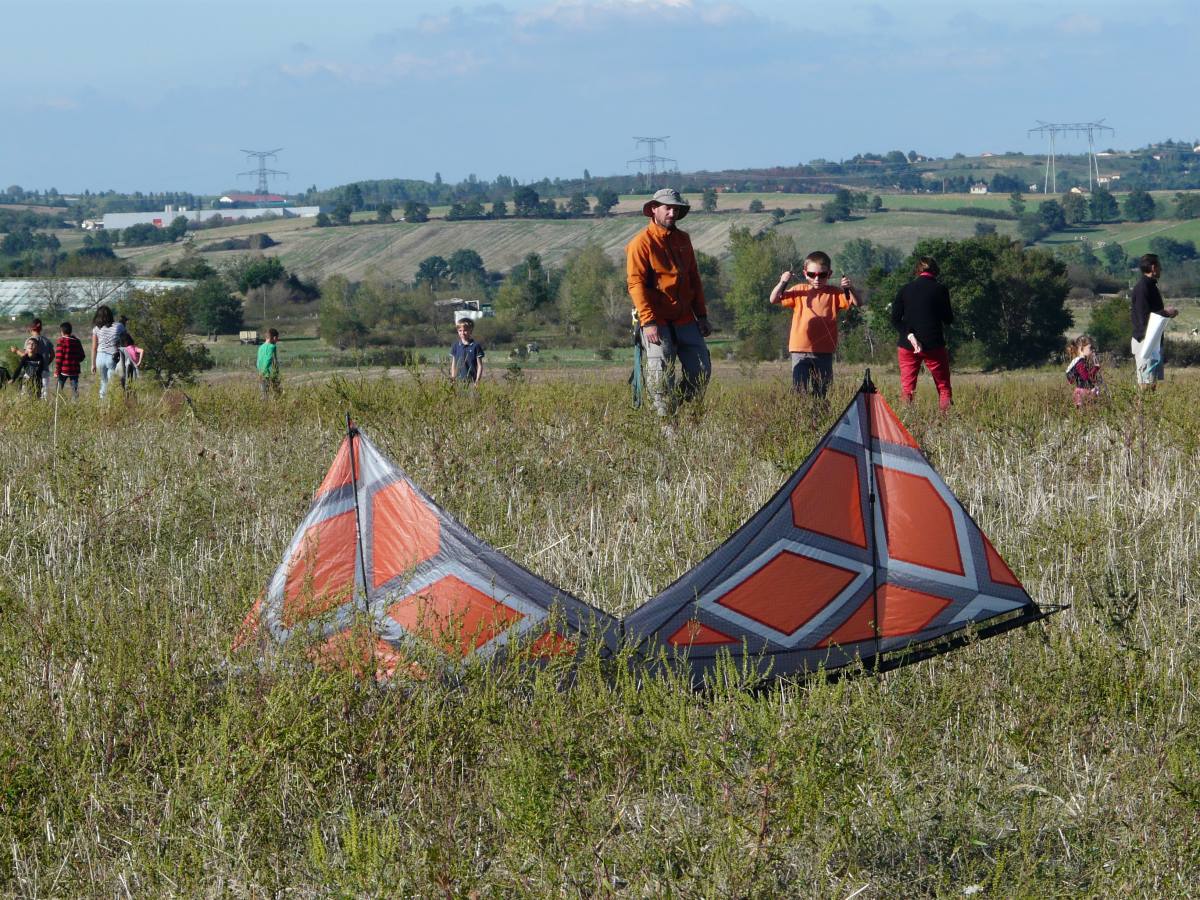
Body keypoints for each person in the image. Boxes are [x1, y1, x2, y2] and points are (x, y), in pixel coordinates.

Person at [627, 188, 712, 418]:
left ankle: (682, 410)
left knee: (701, 370)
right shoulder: (640, 243)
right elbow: (635, 285)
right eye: (668, 208)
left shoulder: (684, 239)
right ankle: (667, 427)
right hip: (656, 320)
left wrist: (701, 316)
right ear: (654, 209)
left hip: (685, 317)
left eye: (676, 209)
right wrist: (649, 321)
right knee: (660, 376)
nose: (672, 213)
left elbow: (694, 278)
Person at [768, 251, 861, 397]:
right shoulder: (799, 290)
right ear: (805, 273)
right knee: (800, 391)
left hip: (824, 352)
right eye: (812, 275)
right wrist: (783, 282)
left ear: (829, 274)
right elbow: (773, 299)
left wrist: (850, 288)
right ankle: (802, 418)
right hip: (799, 350)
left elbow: (857, 303)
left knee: (822, 393)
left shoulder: (835, 293)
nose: (817, 279)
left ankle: (819, 418)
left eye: (822, 275)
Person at [890, 256, 954, 410]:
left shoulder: (905, 289)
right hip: (934, 344)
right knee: (943, 387)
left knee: (908, 389)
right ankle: (946, 422)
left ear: (917, 271)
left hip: (907, 345)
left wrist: (910, 335)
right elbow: (948, 319)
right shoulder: (940, 289)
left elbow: (895, 319)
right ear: (935, 271)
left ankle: (906, 423)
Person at [1130, 253, 1178, 391]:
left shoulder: (1150, 286)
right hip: (1145, 341)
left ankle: (1148, 413)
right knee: (1145, 385)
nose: (1161, 269)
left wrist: (1167, 314)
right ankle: (1140, 413)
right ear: (1153, 267)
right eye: (1159, 266)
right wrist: (1166, 313)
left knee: (1152, 385)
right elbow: (1143, 317)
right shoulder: (1142, 288)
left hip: (1153, 341)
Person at [90, 305, 125, 399]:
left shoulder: (96, 329)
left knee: (103, 382)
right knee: (111, 383)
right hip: (112, 357)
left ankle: (102, 405)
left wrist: (92, 364)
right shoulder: (119, 326)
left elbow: (94, 347)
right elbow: (125, 340)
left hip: (99, 358)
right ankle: (109, 405)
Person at [1065, 334, 1103, 408]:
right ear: (1082, 348)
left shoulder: (1079, 361)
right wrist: (1096, 368)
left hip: (1080, 391)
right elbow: (1086, 377)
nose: (1092, 350)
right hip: (1083, 392)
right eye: (1090, 348)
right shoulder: (1080, 363)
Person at [54, 321, 86, 399]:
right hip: (74, 370)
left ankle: (60, 403)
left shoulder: (61, 341)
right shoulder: (77, 341)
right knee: (75, 390)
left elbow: (59, 359)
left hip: (63, 371)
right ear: (71, 331)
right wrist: (75, 362)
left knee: (58, 389)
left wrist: (57, 371)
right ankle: (75, 407)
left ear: (61, 332)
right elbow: (82, 356)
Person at [449, 318, 485, 386]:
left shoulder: (476, 346)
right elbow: (453, 365)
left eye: (465, 330)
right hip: (458, 382)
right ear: (457, 331)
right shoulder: (455, 345)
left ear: (470, 331)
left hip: (472, 382)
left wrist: (477, 381)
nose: (462, 333)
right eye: (460, 330)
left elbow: (480, 366)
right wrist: (453, 379)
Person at [28, 319, 55, 400]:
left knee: (30, 392)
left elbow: (26, 355)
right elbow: (53, 355)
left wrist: (17, 351)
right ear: (41, 328)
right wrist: (46, 363)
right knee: (44, 394)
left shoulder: (29, 341)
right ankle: (44, 410)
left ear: (31, 329)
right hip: (44, 370)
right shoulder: (47, 341)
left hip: (31, 371)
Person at [257, 328, 282, 397]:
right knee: (278, 395)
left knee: (264, 395)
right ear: (274, 337)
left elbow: (258, 362)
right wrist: (276, 372)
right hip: (271, 374)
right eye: (277, 338)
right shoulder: (272, 347)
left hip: (261, 374)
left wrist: (261, 372)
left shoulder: (260, 347)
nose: (277, 340)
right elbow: (272, 360)